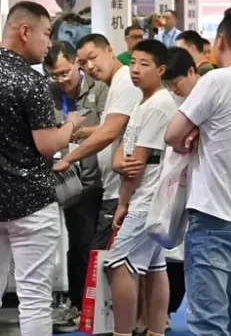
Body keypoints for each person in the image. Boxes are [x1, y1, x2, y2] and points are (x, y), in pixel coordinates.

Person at [165, 3, 231, 335]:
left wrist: (193, 134)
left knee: (208, 324)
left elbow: (172, 134)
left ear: (220, 41)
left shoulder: (216, 81)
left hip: (213, 219)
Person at [0, 1, 86, 336]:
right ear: (25, 31)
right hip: (31, 203)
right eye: (46, 33)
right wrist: (72, 123)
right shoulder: (29, 80)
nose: (48, 43)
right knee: (34, 298)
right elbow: (48, 144)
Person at [105, 39, 176, 336]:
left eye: (144, 64)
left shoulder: (159, 104)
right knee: (155, 267)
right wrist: (119, 162)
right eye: (133, 62)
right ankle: (155, 332)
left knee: (117, 263)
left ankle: (122, 332)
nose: (135, 69)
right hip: (151, 198)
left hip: (147, 198)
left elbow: (136, 163)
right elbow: (125, 150)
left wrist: (122, 203)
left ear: (161, 70)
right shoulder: (143, 103)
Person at [44, 41, 109, 330]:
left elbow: (111, 126)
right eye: (54, 75)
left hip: (102, 179)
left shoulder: (100, 88)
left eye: (64, 73)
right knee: (79, 244)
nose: (60, 80)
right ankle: (77, 304)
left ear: (76, 63)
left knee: (99, 246)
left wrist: (74, 131)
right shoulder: (48, 93)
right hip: (68, 182)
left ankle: (102, 307)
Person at [56, 34, 143, 251]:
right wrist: (78, 133)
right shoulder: (115, 84)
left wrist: (68, 159)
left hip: (122, 192)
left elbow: (108, 133)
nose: (90, 67)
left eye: (93, 57)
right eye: (84, 62)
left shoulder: (125, 81)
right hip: (113, 189)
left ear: (110, 50)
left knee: (103, 260)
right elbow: (108, 128)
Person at [160, 46, 201, 328]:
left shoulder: (208, 96)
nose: (174, 89)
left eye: (177, 83)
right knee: (170, 249)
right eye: (170, 85)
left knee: (196, 257)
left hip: (205, 188)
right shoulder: (171, 102)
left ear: (191, 71)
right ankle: (166, 311)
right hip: (176, 182)